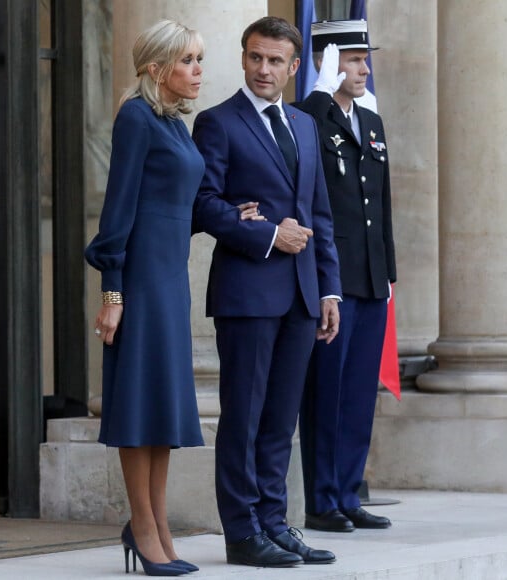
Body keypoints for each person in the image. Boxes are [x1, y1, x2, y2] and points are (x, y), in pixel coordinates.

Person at [192, 16, 342, 568]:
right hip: (246, 295)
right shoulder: (217, 122)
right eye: (255, 57)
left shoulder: (304, 125)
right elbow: (202, 203)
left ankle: (276, 523)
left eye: (275, 60)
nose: (263, 69)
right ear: (244, 57)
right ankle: (242, 532)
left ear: (293, 67)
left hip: (303, 296)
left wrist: (331, 290)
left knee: (281, 419)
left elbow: (319, 214)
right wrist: (265, 233)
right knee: (244, 416)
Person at [85, 19, 209, 577]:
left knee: (160, 405)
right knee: (138, 405)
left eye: (199, 60)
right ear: (157, 69)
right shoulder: (136, 118)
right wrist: (113, 290)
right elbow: (119, 210)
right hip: (138, 281)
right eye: (187, 61)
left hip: (169, 280)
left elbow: (180, 205)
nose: (198, 71)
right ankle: (142, 526)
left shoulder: (176, 126)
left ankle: (158, 526)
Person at [295, 19, 397, 533]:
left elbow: (381, 203)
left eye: (363, 59)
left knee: (358, 391)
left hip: (371, 278)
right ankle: (321, 498)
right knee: (326, 390)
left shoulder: (370, 122)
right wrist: (318, 93)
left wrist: (390, 272)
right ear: (325, 62)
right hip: (330, 278)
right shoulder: (311, 116)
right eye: (352, 59)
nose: (363, 69)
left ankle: (349, 490)